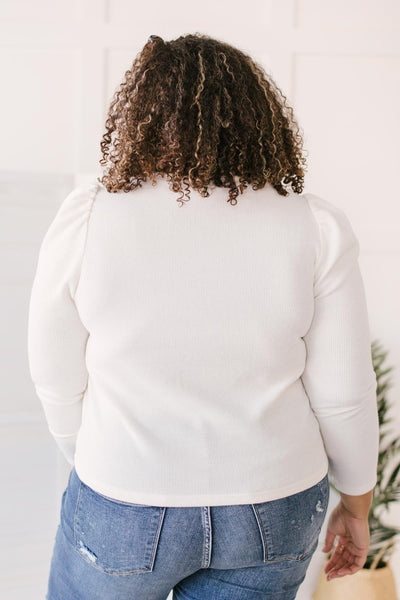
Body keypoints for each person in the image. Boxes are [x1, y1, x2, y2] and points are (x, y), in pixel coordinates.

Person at [27, 32, 379, 600]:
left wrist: (100, 463)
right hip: (274, 507)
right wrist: (357, 504)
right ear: (257, 116)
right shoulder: (313, 226)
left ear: (139, 115)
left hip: (123, 499)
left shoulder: (87, 217)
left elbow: (55, 378)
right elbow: (344, 394)